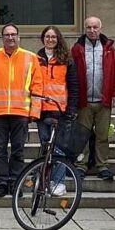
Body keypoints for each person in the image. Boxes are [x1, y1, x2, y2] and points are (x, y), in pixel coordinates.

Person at [0, 24, 41, 198]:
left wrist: (34, 112)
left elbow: (37, 87)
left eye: (13, 34)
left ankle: (16, 182)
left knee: (18, 150)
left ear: (19, 37)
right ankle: (2, 182)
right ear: (2, 38)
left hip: (21, 112)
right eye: (7, 35)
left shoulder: (30, 58)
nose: (10, 37)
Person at [71, 16, 115, 181]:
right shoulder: (77, 49)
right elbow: (71, 75)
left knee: (102, 135)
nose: (92, 30)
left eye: (95, 27)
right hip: (84, 102)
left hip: (103, 101)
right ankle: (81, 165)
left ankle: (102, 165)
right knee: (82, 136)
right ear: (84, 29)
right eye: (89, 27)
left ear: (100, 28)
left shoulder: (109, 49)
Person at [35, 26, 79, 197]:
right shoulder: (36, 59)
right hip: (42, 111)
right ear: (43, 38)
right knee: (45, 147)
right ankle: (44, 180)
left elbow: (74, 86)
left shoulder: (67, 60)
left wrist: (71, 109)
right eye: (47, 36)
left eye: (53, 37)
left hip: (61, 112)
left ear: (58, 39)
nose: (50, 39)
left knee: (59, 149)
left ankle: (58, 182)